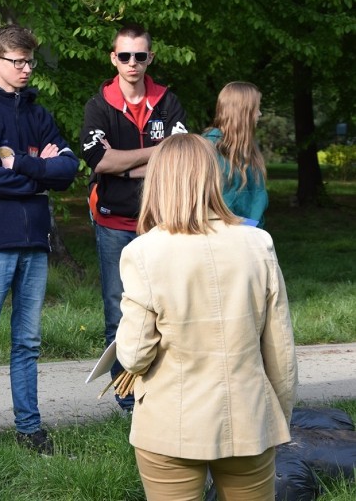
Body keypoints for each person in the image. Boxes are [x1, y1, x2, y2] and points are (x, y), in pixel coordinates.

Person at [115, 133, 297, 500]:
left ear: (159, 182)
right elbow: (281, 351)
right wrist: (279, 419)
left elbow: (133, 355)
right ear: (213, 177)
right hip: (249, 419)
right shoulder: (258, 243)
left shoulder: (143, 252)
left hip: (170, 425)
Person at [0, 24, 79, 454]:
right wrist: (37, 171)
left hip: (34, 244)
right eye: (17, 62)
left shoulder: (39, 114)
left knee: (27, 342)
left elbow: (69, 168)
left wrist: (20, 166)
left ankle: (30, 428)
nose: (26, 70)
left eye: (29, 62)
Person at [78, 23, 188, 413]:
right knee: (118, 309)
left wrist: (122, 166)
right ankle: (127, 399)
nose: (132, 63)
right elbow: (99, 160)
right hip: (113, 222)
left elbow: (178, 156)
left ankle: (162, 391)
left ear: (150, 59)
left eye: (140, 56)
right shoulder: (99, 105)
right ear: (114, 58)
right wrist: (151, 155)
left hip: (161, 222)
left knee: (167, 309)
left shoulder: (168, 101)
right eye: (125, 56)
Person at [202, 81, 268, 227]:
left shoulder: (249, 149)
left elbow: (257, 199)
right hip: (219, 236)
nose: (259, 114)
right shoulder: (208, 150)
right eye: (257, 108)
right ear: (244, 111)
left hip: (249, 234)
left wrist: (251, 230)